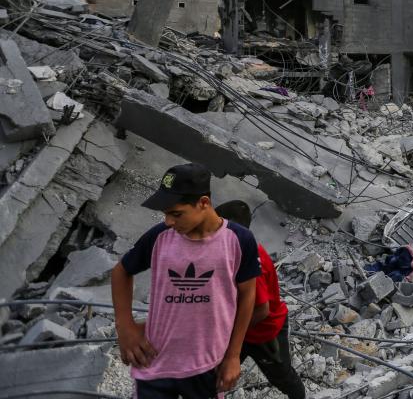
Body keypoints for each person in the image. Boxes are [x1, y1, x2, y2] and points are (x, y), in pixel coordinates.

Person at [111, 163, 260, 398]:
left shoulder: (238, 240)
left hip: (206, 363)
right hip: (155, 360)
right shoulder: (160, 237)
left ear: (203, 203)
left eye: (176, 213)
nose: (169, 221)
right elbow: (121, 272)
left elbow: (248, 295)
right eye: (165, 214)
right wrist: (125, 326)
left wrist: (233, 355)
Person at [214, 201, 305, 399]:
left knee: (282, 377)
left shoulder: (251, 260)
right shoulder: (232, 251)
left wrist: (232, 331)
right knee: (215, 372)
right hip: (243, 328)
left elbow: (262, 309)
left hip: (265, 331)